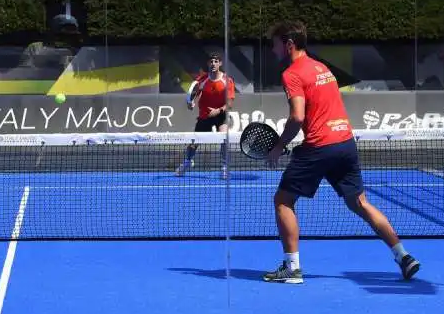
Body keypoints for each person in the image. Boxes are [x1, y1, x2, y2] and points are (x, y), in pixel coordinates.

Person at [262, 20, 420, 284]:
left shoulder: (292, 74)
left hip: (318, 146)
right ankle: (403, 256)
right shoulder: (322, 68)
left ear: (288, 44)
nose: (272, 49)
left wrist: (278, 147)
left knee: (282, 201)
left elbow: (298, 117)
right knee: (360, 203)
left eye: (275, 44)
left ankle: (292, 268)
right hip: (345, 143)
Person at [175, 53, 235, 180]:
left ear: (220, 64)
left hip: (221, 114)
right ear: (208, 64)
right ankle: (187, 162)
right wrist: (190, 103)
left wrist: (218, 111)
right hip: (205, 115)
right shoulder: (202, 80)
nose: (213, 63)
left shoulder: (227, 80)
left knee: (224, 138)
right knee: (194, 143)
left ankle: (224, 167)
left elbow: (229, 104)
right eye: (211, 61)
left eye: (216, 61)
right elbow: (194, 93)